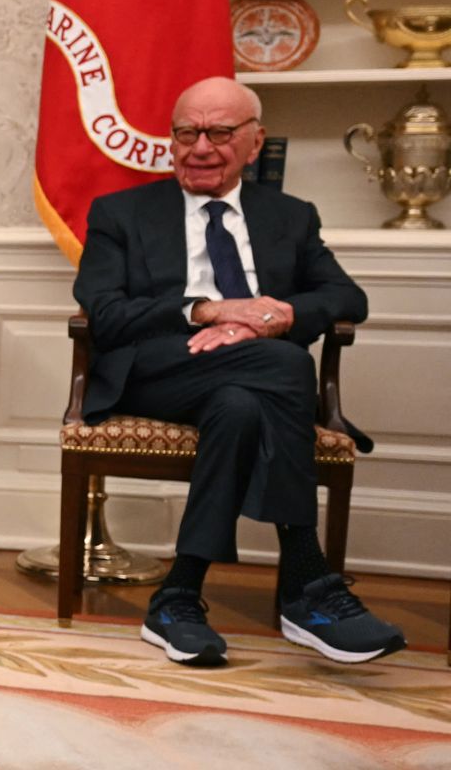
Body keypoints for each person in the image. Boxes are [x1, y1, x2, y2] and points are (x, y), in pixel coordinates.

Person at [75, 76, 405, 667]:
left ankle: (178, 596)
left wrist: (274, 318)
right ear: (171, 140)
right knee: (281, 366)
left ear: (255, 144)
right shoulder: (121, 212)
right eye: (186, 132)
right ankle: (309, 582)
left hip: (248, 377)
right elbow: (106, 312)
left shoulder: (290, 216)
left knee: (241, 405)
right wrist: (209, 310)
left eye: (220, 132)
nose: (200, 146)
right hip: (156, 370)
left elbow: (346, 297)